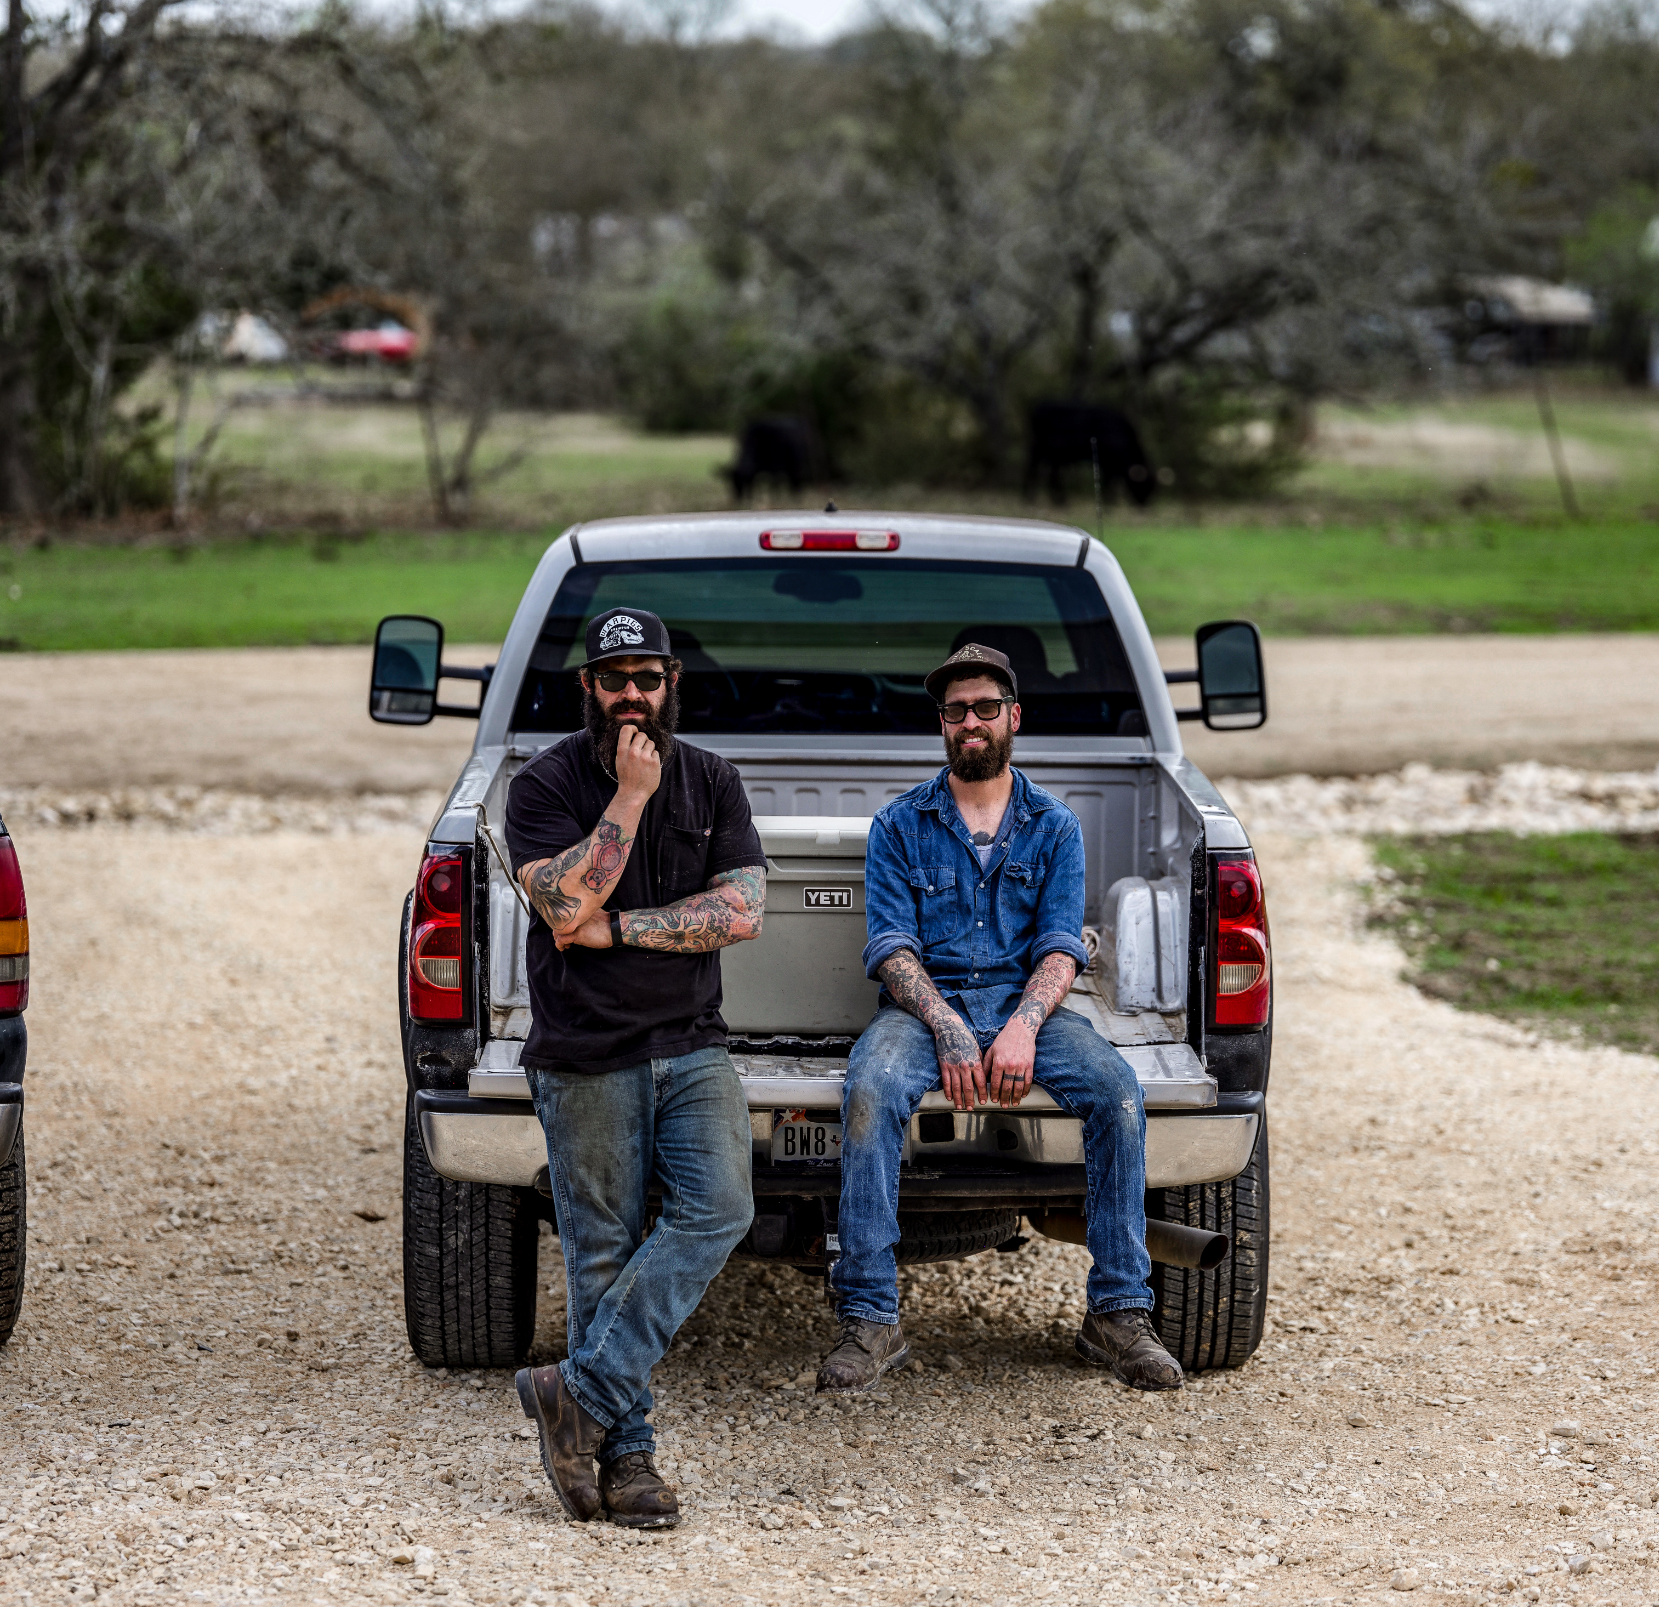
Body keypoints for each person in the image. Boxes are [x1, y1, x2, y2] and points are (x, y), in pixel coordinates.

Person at [816, 642, 1183, 1394]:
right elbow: (889, 945)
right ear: (942, 725)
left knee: (1115, 1093)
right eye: (955, 711)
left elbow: (1058, 944)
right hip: (923, 1010)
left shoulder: (1053, 826)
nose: (970, 721)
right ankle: (870, 1316)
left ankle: (1117, 1313)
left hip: (1031, 1011)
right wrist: (948, 1025)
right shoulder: (899, 823)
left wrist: (1019, 1027)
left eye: (986, 707)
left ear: (1013, 716)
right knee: (870, 1091)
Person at [504, 606, 766, 1528]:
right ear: (587, 686)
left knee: (722, 1206)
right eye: (614, 679)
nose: (631, 696)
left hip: (691, 1044)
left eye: (647, 679)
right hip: (586, 1053)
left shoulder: (715, 779)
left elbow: (739, 911)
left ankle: (574, 1392)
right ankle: (630, 1460)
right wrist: (626, 800)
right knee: (601, 1251)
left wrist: (618, 928)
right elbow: (561, 905)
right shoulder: (542, 785)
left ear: (671, 684)